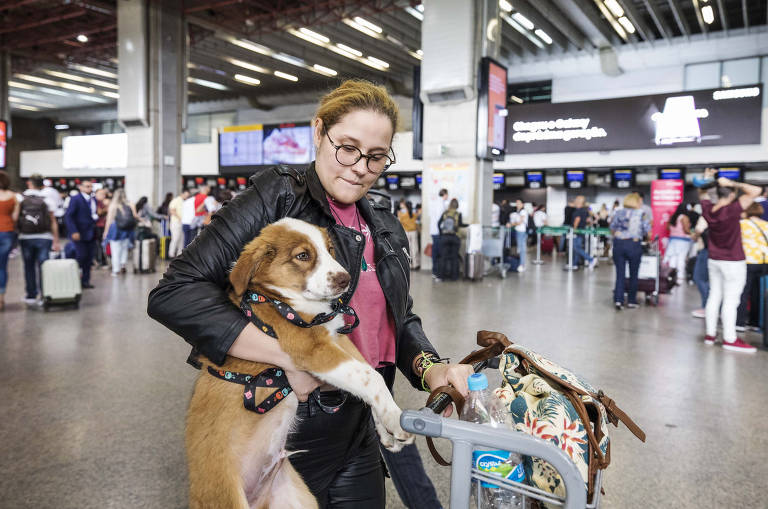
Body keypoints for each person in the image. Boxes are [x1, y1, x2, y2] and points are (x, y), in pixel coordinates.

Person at [147, 80, 473, 508]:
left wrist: (432, 368)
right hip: (286, 420)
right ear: (319, 133)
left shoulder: (386, 226)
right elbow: (175, 293)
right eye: (348, 148)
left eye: (376, 157)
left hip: (359, 427)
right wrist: (291, 356)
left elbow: (398, 319)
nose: (359, 167)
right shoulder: (277, 196)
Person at [699, 168, 761, 353]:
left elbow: (702, 192)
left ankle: (710, 335)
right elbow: (756, 191)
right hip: (733, 261)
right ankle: (730, 338)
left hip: (714, 259)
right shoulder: (733, 209)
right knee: (731, 300)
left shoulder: (708, 209)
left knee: (714, 296)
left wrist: (708, 179)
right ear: (732, 194)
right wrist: (732, 183)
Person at [18, 174, 61, 304]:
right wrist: (56, 240)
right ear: (42, 184)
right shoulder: (47, 199)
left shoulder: (20, 198)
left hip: (25, 237)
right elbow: (53, 221)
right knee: (44, 266)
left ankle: (31, 295)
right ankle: (44, 295)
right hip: (44, 237)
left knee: (28, 266)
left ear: (29, 183)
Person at [610, 193, 651, 310]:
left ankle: (619, 300)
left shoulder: (618, 212)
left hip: (619, 244)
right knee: (634, 274)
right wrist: (647, 239)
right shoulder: (641, 214)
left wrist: (619, 234)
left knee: (620, 274)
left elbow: (612, 228)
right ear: (636, 202)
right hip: (634, 244)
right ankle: (631, 301)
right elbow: (647, 230)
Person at [736, 203, 768, 331]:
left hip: (748, 261)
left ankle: (740, 322)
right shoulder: (766, 225)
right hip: (764, 262)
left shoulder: (742, 224)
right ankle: (755, 322)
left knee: (743, 291)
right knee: (758, 293)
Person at [64, 180, 98, 289]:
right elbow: (69, 216)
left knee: (88, 258)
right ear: (81, 187)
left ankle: (85, 281)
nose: (89, 188)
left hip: (91, 233)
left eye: (91, 187)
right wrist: (73, 231)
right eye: (87, 186)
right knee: (80, 257)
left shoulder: (93, 200)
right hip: (79, 233)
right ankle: (74, 279)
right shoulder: (76, 199)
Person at [103, 189, 137, 277]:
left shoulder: (113, 205)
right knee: (124, 249)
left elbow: (109, 220)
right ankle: (123, 265)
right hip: (127, 229)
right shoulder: (130, 204)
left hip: (115, 230)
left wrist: (106, 232)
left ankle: (116, 270)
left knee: (115, 250)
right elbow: (135, 216)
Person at [0, 170, 20, 311]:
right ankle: (1, 298)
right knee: (2, 267)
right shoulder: (13, 197)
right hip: (7, 232)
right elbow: (15, 218)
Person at [663, 203, 692, 284]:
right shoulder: (684, 217)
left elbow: (667, 227)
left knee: (672, 258)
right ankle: (680, 278)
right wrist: (692, 233)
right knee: (681, 259)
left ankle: (670, 277)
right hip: (682, 241)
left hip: (672, 240)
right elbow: (686, 230)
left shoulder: (673, 217)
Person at [437, 198, 465, 281]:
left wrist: (441, 233)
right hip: (455, 237)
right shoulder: (458, 214)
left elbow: (438, 224)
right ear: (457, 205)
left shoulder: (445, 213)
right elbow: (460, 224)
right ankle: (454, 277)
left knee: (443, 257)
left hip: (445, 237)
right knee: (454, 257)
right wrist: (468, 225)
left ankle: (442, 277)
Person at [690, 215, 709, 318]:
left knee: (699, 278)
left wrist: (694, 236)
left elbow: (698, 231)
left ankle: (707, 307)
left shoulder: (706, 216)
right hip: (722, 253)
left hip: (706, 250)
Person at [571, 195, 597, 270]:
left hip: (577, 232)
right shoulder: (585, 211)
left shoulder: (577, 211)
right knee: (577, 248)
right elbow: (589, 221)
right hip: (582, 231)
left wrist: (574, 230)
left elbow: (577, 220)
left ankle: (591, 259)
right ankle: (575, 264)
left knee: (577, 248)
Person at [429, 188, 449, 280]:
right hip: (438, 232)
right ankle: (436, 272)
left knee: (435, 252)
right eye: (447, 195)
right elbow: (439, 220)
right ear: (444, 194)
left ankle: (435, 271)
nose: (447, 197)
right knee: (438, 253)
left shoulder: (435, 202)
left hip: (433, 231)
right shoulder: (441, 204)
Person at [397, 200, 420, 270]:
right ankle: (416, 264)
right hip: (414, 232)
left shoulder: (402, 215)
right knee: (415, 248)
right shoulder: (414, 214)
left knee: (408, 248)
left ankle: (409, 264)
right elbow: (417, 222)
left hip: (406, 232)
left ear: (406, 206)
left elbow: (399, 222)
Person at [168, 189, 189, 258]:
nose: (187, 196)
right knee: (175, 238)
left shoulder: (185, 201)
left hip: (182, 223)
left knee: (181, 239)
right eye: (186, 195)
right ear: (182, 194)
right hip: (176, 223)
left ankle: (179, 254)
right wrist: (180, 218)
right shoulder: (176, 200)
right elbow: (172, 210)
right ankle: (171, 254)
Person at [508, 199, 528, 272]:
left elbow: (520, 222)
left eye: (519, 203)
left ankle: (522, 265)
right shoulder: (517, 212)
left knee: (522, 249)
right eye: (516, 203)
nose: (517, 204)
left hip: (521, 231)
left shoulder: (523, 212)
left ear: (522, 204)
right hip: (518, 231)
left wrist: (511, 224)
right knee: (520, 248)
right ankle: (520, 264)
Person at [94, 188, 110, 268]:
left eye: (104, 194)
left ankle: (101, 260)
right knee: (99, 244)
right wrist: (107, 208)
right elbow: (99, 212)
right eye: (101, 194)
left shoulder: (101, 202)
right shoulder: (96, 202)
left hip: (102, 225)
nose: (103, 196)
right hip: (98, 226)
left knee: (101, 244)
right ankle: (100, 261)